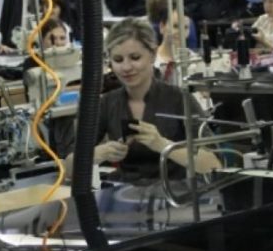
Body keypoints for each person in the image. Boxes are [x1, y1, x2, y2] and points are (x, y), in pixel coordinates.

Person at [66, 17, 219, 179]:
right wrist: (96, 154)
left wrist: (162, 145)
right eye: (118, 60)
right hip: (125, 190)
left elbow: (214, 164)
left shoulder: (179, 99)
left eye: (135, 58)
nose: (126, 67)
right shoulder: (107, 103)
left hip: (174, 191)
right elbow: (67, 169)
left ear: (153, 55)